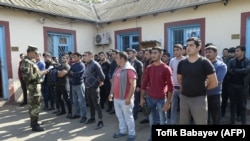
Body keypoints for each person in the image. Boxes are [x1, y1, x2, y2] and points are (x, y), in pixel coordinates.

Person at [177, 37, 218, 124]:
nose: (188, 48)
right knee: (183, 123)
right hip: (184, 98)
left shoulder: (205, 62)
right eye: (187, 45)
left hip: (199, 99)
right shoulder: (182, 63)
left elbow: (214, 83)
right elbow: (180, 79)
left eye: (191, 45)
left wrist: (201, 89)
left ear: (198, 47)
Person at [140, 46, 174, 141]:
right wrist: (142, 98)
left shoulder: (166, 68)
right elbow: (144, 83)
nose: (153, 55)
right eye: (152, 53)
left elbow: (171, 87)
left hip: (161, 99)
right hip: (150, 98)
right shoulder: (149, 68)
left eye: (155, 53)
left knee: (163, 122)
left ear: (161, 54)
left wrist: (168, 103)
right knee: (152, 121)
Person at [109, 51, 137, 141]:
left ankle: (132, 134)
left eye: (117, 57)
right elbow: (114, 82)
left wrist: (129, 98)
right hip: (117, 98)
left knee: (128, 117)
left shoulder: (129, 69)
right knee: (119, 116)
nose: (115, 59)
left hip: (125, 99)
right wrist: (111, 93)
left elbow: (133, 85)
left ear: (122, 59)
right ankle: (123, 131)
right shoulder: (118, 68)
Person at [20, 45, 48, 131]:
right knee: (34, 106)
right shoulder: (26, 62)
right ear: (30, 52)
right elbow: (28, 77)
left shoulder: (31, 61)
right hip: (33, 87)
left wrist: (41, 72)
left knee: (36, 105)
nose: (36, 55)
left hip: (36, 86)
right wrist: (41, 73)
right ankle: (34, 125)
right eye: (35, 53)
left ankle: (35, 122)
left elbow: (35, 72)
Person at [227, 46, 250, 125]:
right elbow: (228, 71)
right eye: (235, 51)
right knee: (232, 105)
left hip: (243, 87)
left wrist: (235, 70)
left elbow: (246, 71)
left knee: (243, 105)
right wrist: (241, 71)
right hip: (232, 86)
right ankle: (232, 121)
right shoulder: (231, 61)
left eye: (238, 51)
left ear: (243, 52)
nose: (235, 52)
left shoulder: (247, 61)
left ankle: (244, 122)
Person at [205, 45, 227, 124]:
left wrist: (205, 81)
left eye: (210, 52)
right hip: (203, 95)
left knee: (216, 118)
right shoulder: (203, 64)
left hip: (215, 94)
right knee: (205, 118)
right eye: (206, 52)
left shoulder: (221, 65)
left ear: (216, 53)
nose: (207, 54)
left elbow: (217, 81)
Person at [83, 51, 105, 130]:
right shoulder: (88, 64)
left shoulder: (95, 64)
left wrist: (99, 82)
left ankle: (100, 121)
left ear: (91, 56)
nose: (84, 57)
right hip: (88, 87)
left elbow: (102, 76)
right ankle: (92, 118)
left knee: (97, 104)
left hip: (94, 88)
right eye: (84, 56)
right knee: (90, 104)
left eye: (85, 56)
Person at [169, 44, 186, 124]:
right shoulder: (172, 60)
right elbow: (170, 72)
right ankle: (173, 123)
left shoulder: (186, 60)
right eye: (174, 50)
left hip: (183, 88)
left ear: (182, 50)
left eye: (177, 50)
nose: (175, 52)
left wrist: (183, 84)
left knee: (184, 108)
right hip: (173, 87)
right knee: (173, 107)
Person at [68, 52, 87, 123]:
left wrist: (73, 73)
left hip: (79, 84)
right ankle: (77, 113)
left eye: (75, 56)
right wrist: (72, 74)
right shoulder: (73, 65)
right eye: (73, 57)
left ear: (79, 57)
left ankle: (84, 116)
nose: (73, 58)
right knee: (75, 101)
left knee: (82, 101)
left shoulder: (82, 65)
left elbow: (79, 75)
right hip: (73, 84)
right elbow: (69, 72)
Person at [127, 48, 143, 120]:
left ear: (134, 54)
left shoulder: (139, 63)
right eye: (129, 53)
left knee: (135, 100)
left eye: (130, 53)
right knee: (129, 99)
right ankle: (129, 113)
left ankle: (135, 115)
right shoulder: (128, 62)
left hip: (135, 84)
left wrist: (139, 86)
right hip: (128, 84)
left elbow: (141, 75)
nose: (129, 55)